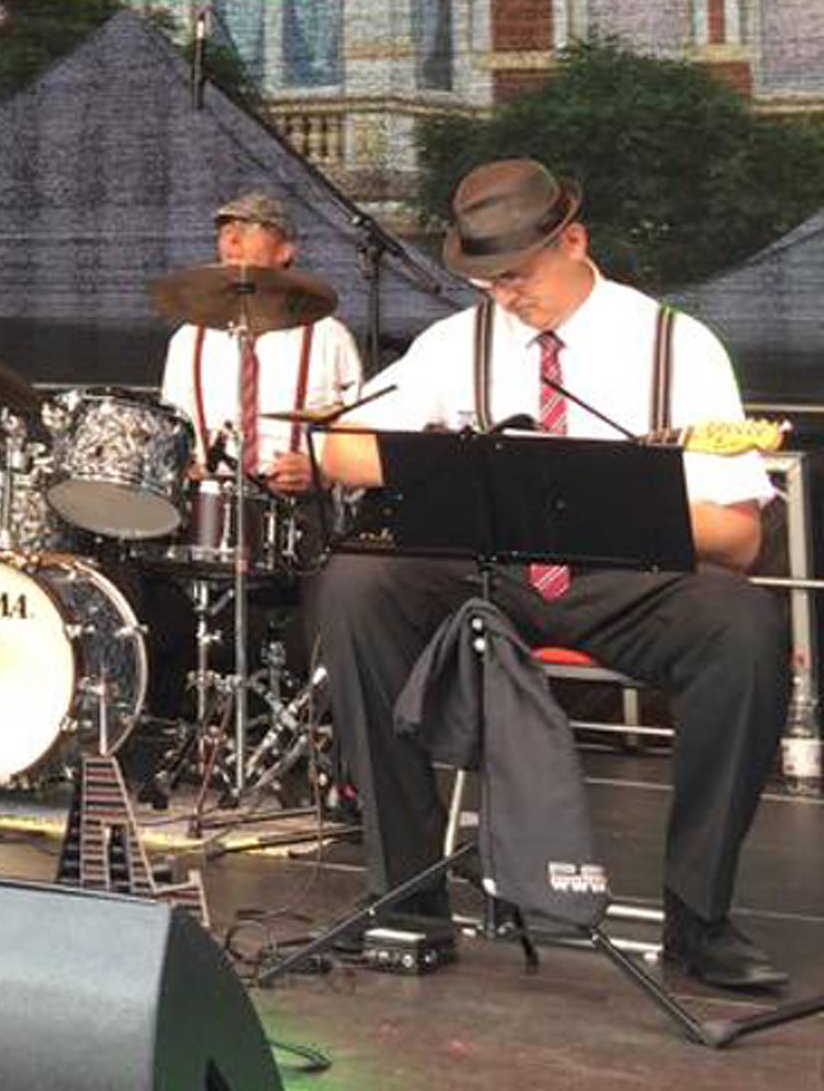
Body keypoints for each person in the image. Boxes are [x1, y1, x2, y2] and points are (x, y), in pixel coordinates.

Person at [312, 157, 788, 991]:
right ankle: (406, 896)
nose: (504, 296)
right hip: (492, 574)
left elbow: (738, 538)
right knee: (355, 585)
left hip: (622, 577)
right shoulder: (455, 343)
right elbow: (338, 447)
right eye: (487, 280)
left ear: (573, 241)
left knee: (743, 630)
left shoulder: (673, 343)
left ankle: (698, 917)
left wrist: (603, 495)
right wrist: (461, 467)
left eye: (517, 274)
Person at [145, 192, 364, 718]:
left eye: (248, 228)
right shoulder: (188, 340)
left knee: (342, 587)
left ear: (286, 250)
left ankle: (324, 723)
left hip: (299, 511)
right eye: (225, 231)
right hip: (210, 511)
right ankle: (173, 716)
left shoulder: (328, 337)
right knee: (148, 566)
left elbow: (359, 437)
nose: (231, 240)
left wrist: (323, 470)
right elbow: (172, 432)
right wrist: (184, 467)